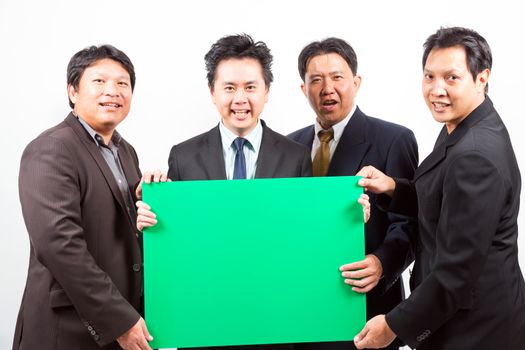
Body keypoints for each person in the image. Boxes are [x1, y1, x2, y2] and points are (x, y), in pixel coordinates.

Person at [353, 27, 525, 350]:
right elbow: (444, 200)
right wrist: (392, 188)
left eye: (451, 78)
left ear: (482, 78)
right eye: (429, 76)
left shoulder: (475, 156)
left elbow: (455, 275)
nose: (437, 90)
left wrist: (392, 326)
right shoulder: (464, 123)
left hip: (477, 330)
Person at [136, 34, 311, 350]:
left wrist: (351, 214)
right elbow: (176, 246)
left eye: (250, 87)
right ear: (212, 92)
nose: (240, 98)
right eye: (229, 88)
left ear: (267, 91)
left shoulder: (296, 156)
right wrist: (151, 219)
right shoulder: (183, 156)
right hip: (206, 322)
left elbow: (304, 237)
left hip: (276, 322)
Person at [13, 45, 153, 350]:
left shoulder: (125, 151)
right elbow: (60, 245)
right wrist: (119, 319)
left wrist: (149, 208)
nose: (112, 91)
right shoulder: (51, 149)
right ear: (73, 91)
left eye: (122, 83)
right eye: (99, 82)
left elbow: (115, 233)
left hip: (119, 324)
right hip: (68, 330)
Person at [287, 38, 418, 350]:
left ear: (356, 83)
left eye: (337, 77)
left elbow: (412, 220)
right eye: (315, 80)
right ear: (304, 89)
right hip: (302, 311)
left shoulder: (393, 139)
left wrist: (381, 263)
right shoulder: (290, 147)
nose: (326, 88)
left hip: (365, 310)